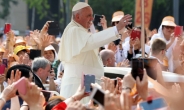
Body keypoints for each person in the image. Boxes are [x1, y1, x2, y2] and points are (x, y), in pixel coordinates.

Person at [58, 2, 132, 100]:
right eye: (88, 15)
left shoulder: (81, 31)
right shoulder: (73, 30)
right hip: (76, 85)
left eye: (92, 15)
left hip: (86, 84)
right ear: (77, 16)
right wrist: (117, 28)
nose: (92, 19)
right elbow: (92, 41)